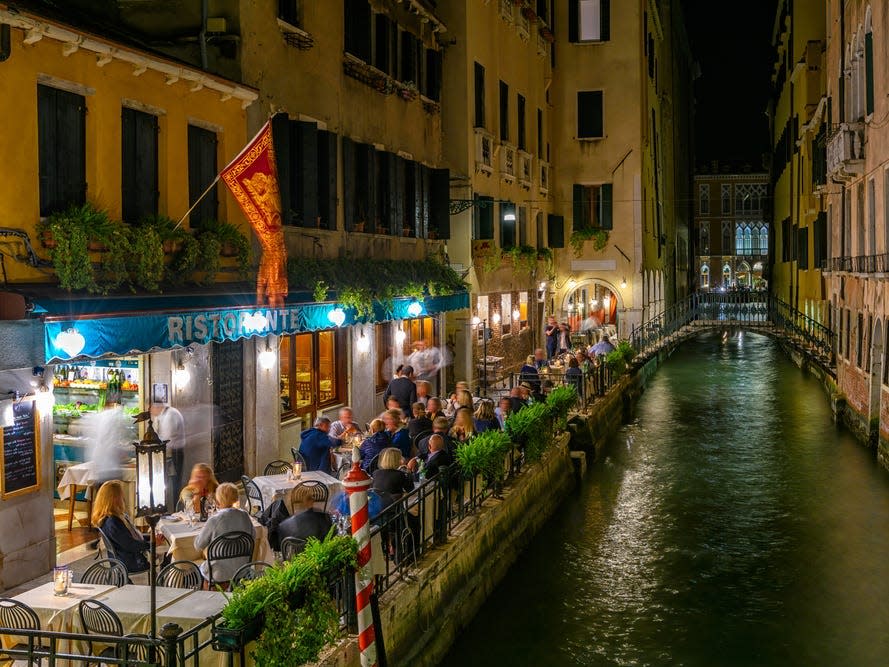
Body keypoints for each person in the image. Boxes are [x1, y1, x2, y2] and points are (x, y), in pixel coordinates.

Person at [194, 482, 254, 584]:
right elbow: (252, 538)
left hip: (218, 573)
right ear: (236, 498)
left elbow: (198, 545)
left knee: (199, 565)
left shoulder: (214, 520)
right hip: (242, 570)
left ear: (218, 500)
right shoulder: (245, 516)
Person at [92, 480, 156, 574]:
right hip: (130, 561)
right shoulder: (113, 522)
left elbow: (131, 537)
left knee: (164, 550)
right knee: (167, 555)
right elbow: (130, 545)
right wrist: (152, 544)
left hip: (122, 557)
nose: (123, 497)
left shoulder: (110, 517)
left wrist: (152, 537)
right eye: (121, 494)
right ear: (114, 498)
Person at [276, 484, 333, 556]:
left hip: (297, 563)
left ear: (291, 503)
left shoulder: (283, 526)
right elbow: (332, 540)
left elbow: (284, 552)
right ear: (310, 502)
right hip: (322, 559)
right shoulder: (324, 517)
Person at [150, 402, 186, 510]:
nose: (150, 410)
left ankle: (175, 510)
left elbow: (167, 438)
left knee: (174, 484)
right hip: (166, 455)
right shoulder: (161, 416)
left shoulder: (171, 415)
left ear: (156, 406)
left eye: (150, 407)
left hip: (174, 454)